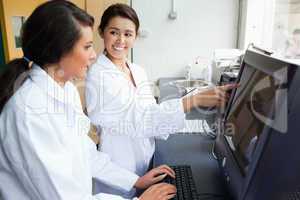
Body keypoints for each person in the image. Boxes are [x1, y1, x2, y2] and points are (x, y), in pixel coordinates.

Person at [0, 1, 177, 199]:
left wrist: (133, 180)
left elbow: (85, 153)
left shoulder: (65, 90)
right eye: (87, 47)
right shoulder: (30, 113)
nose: (93, 56)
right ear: (58, 50)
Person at [85, 3, 236, 198]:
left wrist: (189, 103)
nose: (121, 40)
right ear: (102, 32)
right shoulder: (98, 75)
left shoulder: (137, 71)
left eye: (128, 34)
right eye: (114, 32)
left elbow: (151, 115)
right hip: (119, 169)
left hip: (146, 160)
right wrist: (191, 101)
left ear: (136, 36)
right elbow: (139, 119)